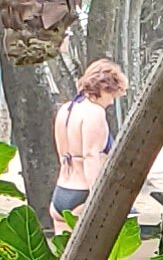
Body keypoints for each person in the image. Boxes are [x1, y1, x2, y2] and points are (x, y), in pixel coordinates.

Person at [53, 56, 125, 222]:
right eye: (113, 94)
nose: (112, 101)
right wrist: (97, 197)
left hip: (61, 190)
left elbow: (62, 151)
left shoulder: (66, 109)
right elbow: (90, 156)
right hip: (83, 194)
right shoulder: (94, 113)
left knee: (62, 248)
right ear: (106, 88)